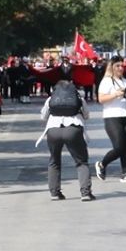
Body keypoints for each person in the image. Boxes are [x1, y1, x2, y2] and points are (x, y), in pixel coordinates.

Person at [36, 65, 94, 201]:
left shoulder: (51, 99)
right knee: (81, 161)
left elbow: (43, 116)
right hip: (73, 129)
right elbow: (86, 115)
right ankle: (85, 193)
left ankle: (55, 193)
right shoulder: (78, 97)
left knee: (54, 161)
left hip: (53, 130)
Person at [95, 56, 126, 183]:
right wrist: (116, 94)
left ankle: (125, 173)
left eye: (121, 66)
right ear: (111, 67)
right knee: (119, 147)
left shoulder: (124, 80)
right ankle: (102, 164)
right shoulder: (107, 81)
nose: (120, 68)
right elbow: (101, 99)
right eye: (117, 66)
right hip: (112, 116)